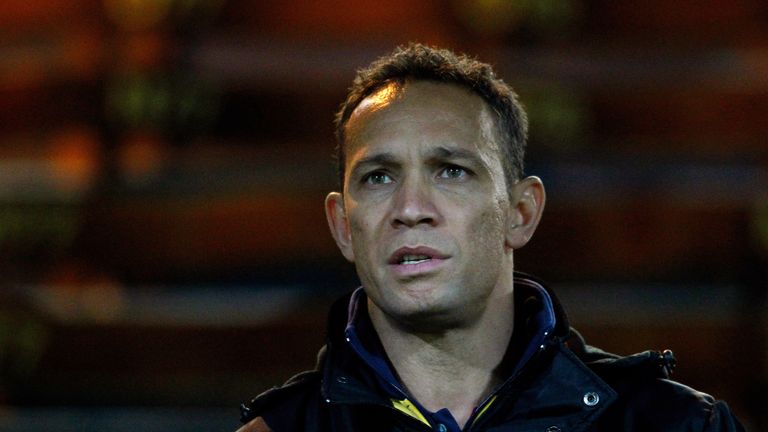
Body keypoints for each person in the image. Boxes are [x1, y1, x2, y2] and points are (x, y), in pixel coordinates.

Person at [236, 44, 745, 432]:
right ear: (343, 226)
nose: (411, 209)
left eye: (451, 171)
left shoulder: (673, 424)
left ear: (520, 212)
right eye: (378, 177)